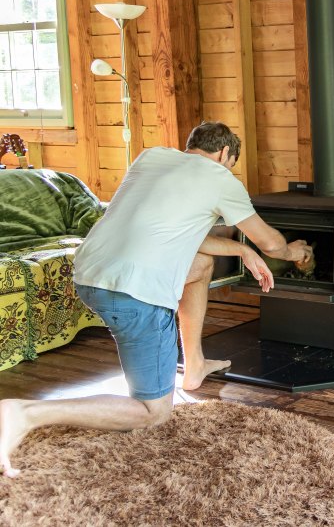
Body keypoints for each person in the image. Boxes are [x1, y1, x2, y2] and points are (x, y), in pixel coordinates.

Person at [0, 121, 312, 478]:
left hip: (88, 275)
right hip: (130, 293)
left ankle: (192, 365)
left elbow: (181, 234)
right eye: (229, 163)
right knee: (153, 411)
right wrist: (294, 252)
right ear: (225, 154)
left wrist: (241, 249)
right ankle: (26, 413)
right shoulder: (221, 178)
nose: (227, 170)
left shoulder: (151, 158)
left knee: (201, 266)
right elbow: (272, 243)